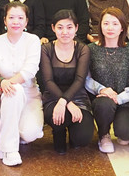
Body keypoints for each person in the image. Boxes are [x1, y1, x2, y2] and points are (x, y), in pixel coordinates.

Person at [0, 1, 44, 166]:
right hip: (5, 97)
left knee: (29, 134)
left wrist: (2, 86)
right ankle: (9, 149)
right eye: (11, 17)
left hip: (29, 95)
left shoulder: (33, 40)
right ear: (4, 20)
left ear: (26, 21)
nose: (16, 22)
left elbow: (29, 71)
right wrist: (1, 83)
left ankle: (9, 132)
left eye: (20, 18)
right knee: (15, 90)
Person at [85, 8, 129, 153]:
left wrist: (119, 98)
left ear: (122, 27)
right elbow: (85, 78)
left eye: (115, 24)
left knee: (125, 136)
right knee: (104, 105)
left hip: (126, 100)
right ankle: (104, 134)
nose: (110, 28)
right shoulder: (90, 49)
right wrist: (102, 89)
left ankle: (122, 126)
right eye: (106, 23)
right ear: (100, 26)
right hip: (102, 99)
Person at [39, 10, 94, 154]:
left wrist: (66, 101)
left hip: (77, 95)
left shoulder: (83, 49)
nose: (65, 32)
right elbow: (48, 81)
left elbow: (80, 80)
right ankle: (59, 132)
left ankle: (73, 132)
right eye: (60, 27)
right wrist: (65, 102)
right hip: (53, 96)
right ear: (53, 28)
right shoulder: (46, 49)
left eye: (69, 27)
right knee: (59, 118)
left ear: (76, 28)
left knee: (82, 138)